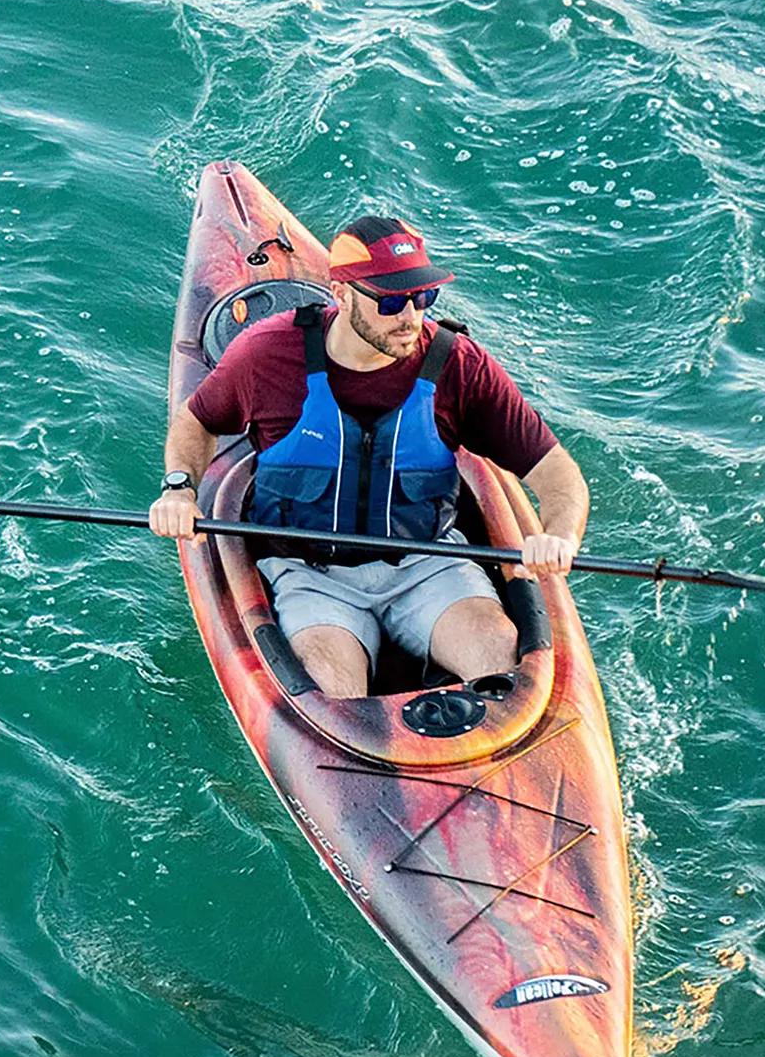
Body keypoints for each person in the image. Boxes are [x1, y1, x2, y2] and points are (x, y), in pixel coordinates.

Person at [150, 215, 587, 698]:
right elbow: (197, 421)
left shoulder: (461, 367)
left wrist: (559, 535)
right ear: (341, 294)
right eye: (391, 301)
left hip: (429, 562)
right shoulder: (265, 356)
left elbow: (559, 476)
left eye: (423, 298)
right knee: (330, 690)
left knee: (499, 656)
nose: (410, 317)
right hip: (310, 574)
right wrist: (178, 489)